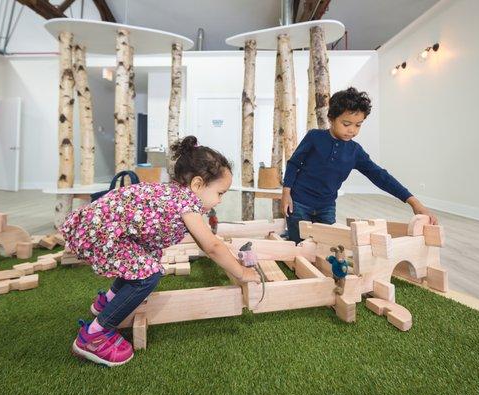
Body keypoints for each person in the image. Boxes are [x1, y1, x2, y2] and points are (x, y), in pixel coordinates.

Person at [60, 135, 261, 367]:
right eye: (220, 193)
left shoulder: (176, 193)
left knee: (141, 262)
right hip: (103, 230)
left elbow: (203, 240)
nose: (219, 201)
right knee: (148, 275)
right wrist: (241, 273)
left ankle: (108, 301)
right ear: (197, 184)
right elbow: (212, 246)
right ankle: (95, 335)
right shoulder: (187, 203)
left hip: (105, 226)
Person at [281, 87, 437, 243]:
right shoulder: (314, 137)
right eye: (346, 123)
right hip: (299, 202)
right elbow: (294, 163)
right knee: (299, 245)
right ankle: (288, 237)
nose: (352, 130)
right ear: (331, 118)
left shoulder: (355, 151)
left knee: (325, 246)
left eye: (358, 125)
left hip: (326, 207)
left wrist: (414, 202)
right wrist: (286, 193)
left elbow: (380, 176)